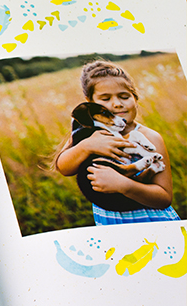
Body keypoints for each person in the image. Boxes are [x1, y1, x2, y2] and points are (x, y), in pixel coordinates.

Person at [55, 60, 179, 225]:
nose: (116, 104)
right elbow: (63, 167)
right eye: (105, 98)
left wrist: (123, 185)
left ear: (135, 97)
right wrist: (86, 146)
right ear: (89, 103)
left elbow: (164, 198)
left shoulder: (149, 137)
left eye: (124, 96)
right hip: (110, 225)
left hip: (152, 223)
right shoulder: (87, 135)